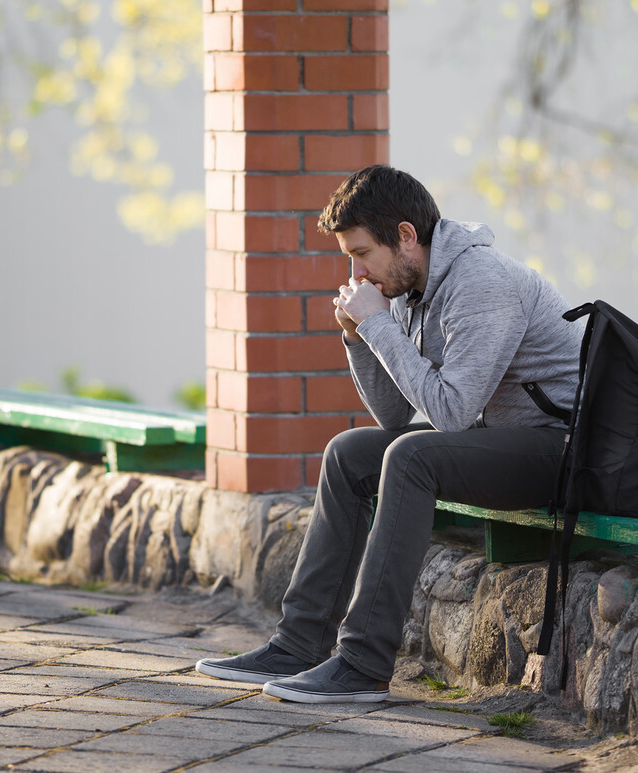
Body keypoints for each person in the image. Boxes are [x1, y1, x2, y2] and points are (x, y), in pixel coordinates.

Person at [196, 165, 584, 703]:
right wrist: (359, 338)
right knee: (351, 452)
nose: (355, 273)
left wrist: (378, 326)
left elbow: (449, 413)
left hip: (560, 449)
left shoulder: (482, 281)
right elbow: (394, 416)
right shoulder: (409, 287)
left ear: (405, 236)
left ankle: (362, 663)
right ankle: (298, 643)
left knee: (412, 458)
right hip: (500, 440)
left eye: (361, 254)